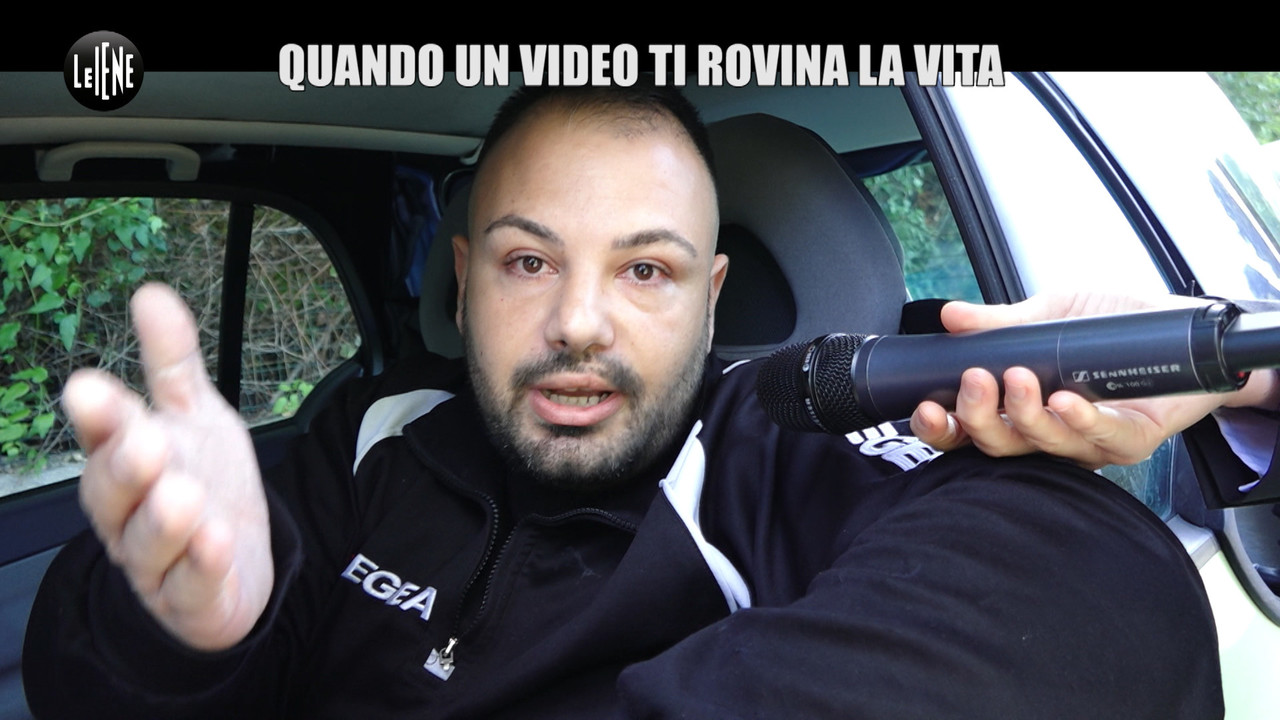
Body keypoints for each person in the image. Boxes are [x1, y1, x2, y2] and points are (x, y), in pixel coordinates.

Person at [23, 82, 1268, 718]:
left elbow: (1091, 590)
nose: (578, 321)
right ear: (463, 278)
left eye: (644, 270)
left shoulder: (780, 446)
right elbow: (87, 682)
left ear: (711, 298)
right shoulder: (369, 439)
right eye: (528, 262)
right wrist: (188, 632)